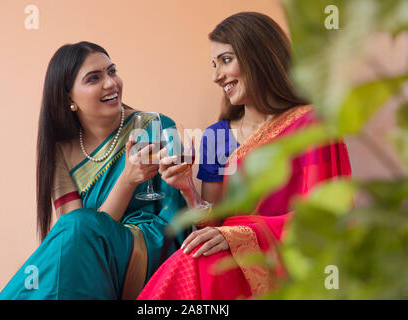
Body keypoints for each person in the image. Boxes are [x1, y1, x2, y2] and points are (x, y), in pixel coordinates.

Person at [137, 12, 352, 300]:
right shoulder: (216, 136)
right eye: (214, 65)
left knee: (198, 263)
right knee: (196, 259)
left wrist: (238, 236)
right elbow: (216, 224)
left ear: (260, 56)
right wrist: (189, 190)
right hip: (227, 261)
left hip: (282, 265)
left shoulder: (312, 125)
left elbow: (325, 217)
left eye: (225, 60)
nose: (216, 76)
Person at [0, 41, 190, 300]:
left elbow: (175, 217)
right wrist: (126, 181)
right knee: (72, 241)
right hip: (93, 263)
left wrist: (180, 177)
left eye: (112, 71)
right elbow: (79, 234)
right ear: (69, 98)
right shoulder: (61, 152)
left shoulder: (157, 124)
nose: (111, 83)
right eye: (94, 78)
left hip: (151, 251)